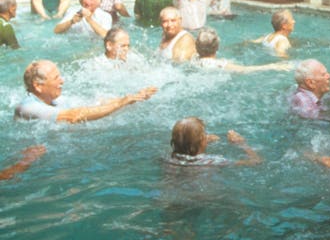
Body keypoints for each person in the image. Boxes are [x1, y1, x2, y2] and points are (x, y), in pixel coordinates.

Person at [14, 60, 157, 122]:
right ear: (38, 86)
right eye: (56, 78)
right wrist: (121, 103)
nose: (62, 80)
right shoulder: (28, 107)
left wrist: (132, 98)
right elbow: (73, 117)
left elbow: (93, 104)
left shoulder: (54, 100)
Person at [169, 117, 261, 166]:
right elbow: (256, 162)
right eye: (204, 134)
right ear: (201, 141)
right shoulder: (211, 161)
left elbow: (185, 144)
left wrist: (199, 141)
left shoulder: (170, 160)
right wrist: (242, 144)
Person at [193, 27, 289, 72]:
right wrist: (272, 66)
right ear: (217, 47)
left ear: (196, 46)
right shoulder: (219, 65)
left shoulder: (194, 59)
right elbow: (245, 70)